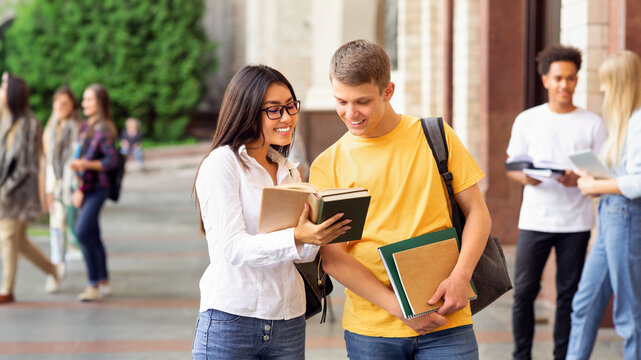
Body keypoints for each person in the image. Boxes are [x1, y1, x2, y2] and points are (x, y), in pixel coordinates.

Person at [309, 39, 491, 359]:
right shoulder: (328, 165)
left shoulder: (435, 136)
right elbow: (334, 257)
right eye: (341, 101)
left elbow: (478, 211)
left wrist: (462, 276)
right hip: (372, 330)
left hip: (446, 320)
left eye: (362, 102)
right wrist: (401, 309)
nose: (350, 113)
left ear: (388, 91)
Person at [191, 65, 350, 359]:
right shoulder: (222, 164)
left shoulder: (289, 172)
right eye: (274, 110)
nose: (288, 117)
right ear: (248, 111)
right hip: (231, 320)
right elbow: (233, 248)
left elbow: (299, 254)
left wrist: (316, 235)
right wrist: (297, 236)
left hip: (288, 320)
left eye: (291, 106)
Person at [505, 45, 607, 360]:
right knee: (524, 294)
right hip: (535, 220)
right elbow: (512, 167)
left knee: (569, 296)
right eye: (559, 78)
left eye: (571, 78)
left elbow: (603, 173)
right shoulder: (528, 120)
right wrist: (528, 178)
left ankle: (562, 356)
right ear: (546, 80)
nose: (565, 85)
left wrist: (579, 179)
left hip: (576, 223)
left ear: (577, 80)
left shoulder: (593, 123)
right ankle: (521, 355)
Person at [566, 50, 641, 360]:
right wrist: (596, 178)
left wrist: (597, 185)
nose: (601, 89)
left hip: (625, 219)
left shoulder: (638, 123)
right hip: (612, 218)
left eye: (606, 82)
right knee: (584, 303)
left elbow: (637, 182)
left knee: (629, 311)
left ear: (620, 83)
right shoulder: (625, 122)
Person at [0, 72, 62, 303]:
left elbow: (25, 165)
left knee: (6, 237)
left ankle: (6, 290)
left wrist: (4, 189)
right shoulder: (8, 118)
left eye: (4, 87)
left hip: (16, 195)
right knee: (21, 244)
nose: (0, 91)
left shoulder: (27, 123)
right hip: (6, 191)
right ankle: (52, 269)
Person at [70, 84, 119, 302]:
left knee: (81, 232)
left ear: (99, 102)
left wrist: (86, 164)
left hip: (99, 187)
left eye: (88, 99)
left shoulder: (103, 128)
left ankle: (93, 285)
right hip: (87, 187)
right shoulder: (87, 127)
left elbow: (111, 161)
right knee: (92, 234)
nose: (84, 103)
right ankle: (102, 280)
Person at [43, 86, 84, 278]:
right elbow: (49, 160)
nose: (59, 106)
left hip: (73, 186)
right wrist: (49, 190)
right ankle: (56, 270)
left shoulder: (78, 127)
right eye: (56, 102)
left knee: (78, 231)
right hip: (56, 185)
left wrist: (78, 188)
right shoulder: (52, 128)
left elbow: (78, 161)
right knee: (56, 228)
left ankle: (94, 274)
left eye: (64, 103)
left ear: (72, 105)